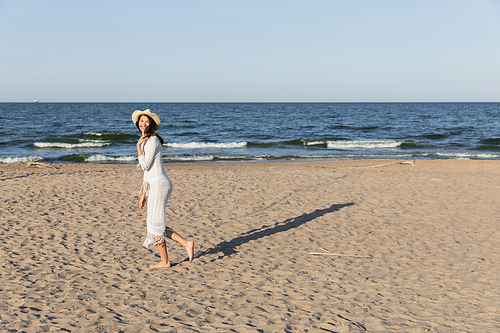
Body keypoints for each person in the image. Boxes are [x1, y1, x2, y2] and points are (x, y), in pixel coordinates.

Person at [132, 109, 194, 268]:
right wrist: (143, 193)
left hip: (159, 185)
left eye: (146, 121)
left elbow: (145, 164)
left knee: (155, 225)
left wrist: (138, 146)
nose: (143, 124)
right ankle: (186, 244)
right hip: (154, 184)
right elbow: (147, 171)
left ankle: (165, 261)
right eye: (141, 121)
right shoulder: (146, 140)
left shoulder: (151, 141)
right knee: (155, 223)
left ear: (151, 124)